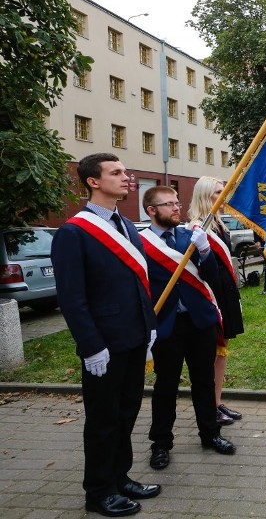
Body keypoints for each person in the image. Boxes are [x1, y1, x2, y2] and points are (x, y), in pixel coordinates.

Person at [51, 152, 160, 517]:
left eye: (126, 171)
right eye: (116, 173)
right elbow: (72, 297)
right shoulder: (73, 232)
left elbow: (139, 283)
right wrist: (91, 346)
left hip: (134, 337)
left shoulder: (127, 226)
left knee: (127, 412)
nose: (126, 177)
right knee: (103, 420)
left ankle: (120, 476)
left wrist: (150, 327)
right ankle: (98, 491)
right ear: (93, 182)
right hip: (104, 346)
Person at [140, 186, 236, 471]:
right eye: (168, 204)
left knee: (204, 382)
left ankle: (210, 434)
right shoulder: (139, 241)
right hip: (165, 325)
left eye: (177, 203)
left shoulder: (189, 237)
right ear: (151, 210)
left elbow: (211, 279)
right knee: (166, 386)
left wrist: (205, 252)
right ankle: (160, 444)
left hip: (199, 322)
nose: (176, 208)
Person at [188, 177, 246, 426]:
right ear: (204, 196)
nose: (223, 197)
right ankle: (209, 406)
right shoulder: (196, 227)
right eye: (218, 193)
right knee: (213, 353)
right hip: (212, 294)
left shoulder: (219, 224)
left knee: (222, 353)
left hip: (226, 292)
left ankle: (217, 400)